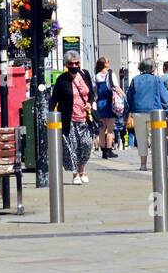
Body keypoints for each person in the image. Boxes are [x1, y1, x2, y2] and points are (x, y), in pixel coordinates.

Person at [50, 50, 96, 185]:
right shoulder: (62, 79)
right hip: (69, 119)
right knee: (73, 148)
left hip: (85, 118)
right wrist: (49, 115)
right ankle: (76, 173)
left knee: (87, 144)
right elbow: (54, 99)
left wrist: (89, 103)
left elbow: (91, 93)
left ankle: (82, 168)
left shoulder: (85, 74)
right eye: (71, 63)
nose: (74, 65)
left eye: (77, 63)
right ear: (66, 64)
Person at [126, 58, 168, 172]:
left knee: (141, 138)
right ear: (153, 67)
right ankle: (157, 164)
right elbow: (166, 97)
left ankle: (143, 165)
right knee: (157, 138)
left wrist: (128, 112)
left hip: (138, 113)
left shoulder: (135, 80)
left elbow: (129, 98)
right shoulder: (156, 80)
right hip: (156, 113)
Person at [94, 57, 121, 159]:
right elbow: (116, 87)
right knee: (110, 129)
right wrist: (123, 96)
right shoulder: (110, 74)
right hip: (110, 102)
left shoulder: (96, 76)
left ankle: (103, 151)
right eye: (107, 61)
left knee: (101, 128)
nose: (109, 62)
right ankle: (109, 150)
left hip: (100, 103)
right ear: (105, 64)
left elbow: (94, 90)